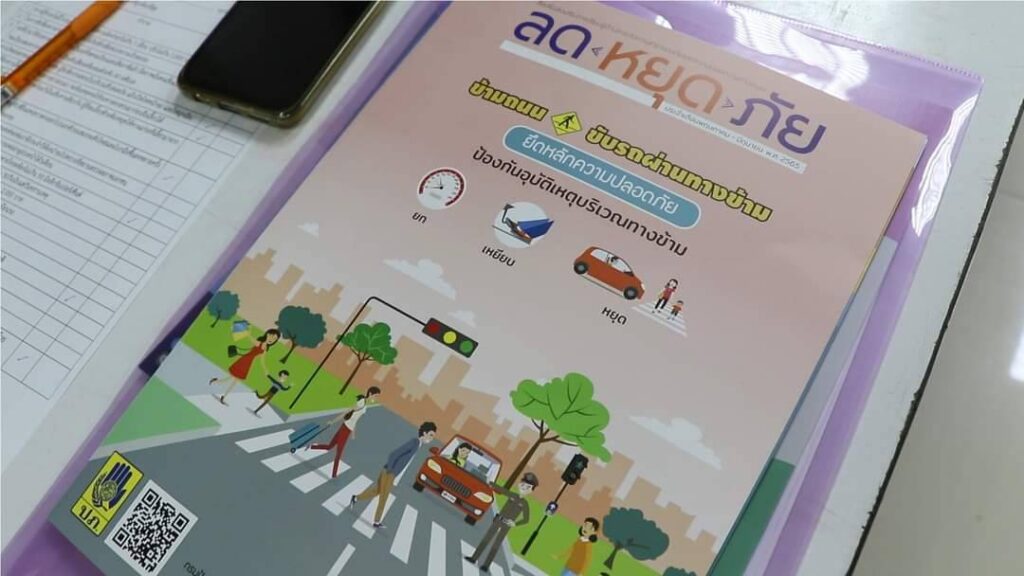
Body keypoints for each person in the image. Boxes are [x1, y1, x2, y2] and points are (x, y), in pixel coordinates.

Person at [350, 421, 437, 528]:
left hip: (391, 472)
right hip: (389, 472)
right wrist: (390, 470)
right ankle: (376, 521)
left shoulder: (418, 445)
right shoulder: (414, 442)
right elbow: (394, 454)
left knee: (376, 491)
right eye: (431, 435)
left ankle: (355, 498)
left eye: (433, 436)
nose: (431, 438)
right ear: (424, 433)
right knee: (384, 497)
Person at [465, 472, 539, 572]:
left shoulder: (525, 504)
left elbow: (526, 519)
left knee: (496, 545)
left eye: (528, 487)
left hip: (506, 525)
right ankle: (474, 558)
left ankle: (486, 565)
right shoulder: (512, 495)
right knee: (486, 539)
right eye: (523, 484)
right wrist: (490, 483)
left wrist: (515, 524)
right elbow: (502, 490)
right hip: (498, 520)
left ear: (531, 490)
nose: (524, 488)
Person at [310, 387, 382, 478]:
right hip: (345, 428)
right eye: (375, 396)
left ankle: (311, 446)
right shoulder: (361, 402)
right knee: (339, 452)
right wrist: (333, 421)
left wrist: (353, 432)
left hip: (348, 429)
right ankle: (334, 475)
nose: (376, 398)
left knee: (329, 447)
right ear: (370, 393)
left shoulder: (365, 405)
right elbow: (347, 411)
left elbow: (355, 419)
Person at [209, 329, 280, 405]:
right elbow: (251, 338)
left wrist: (265, 369)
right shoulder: (259, 343)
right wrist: (248, 333)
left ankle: (221, 392)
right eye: (271, 336)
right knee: (231, 378)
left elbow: (262, 360)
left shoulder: (266, 348)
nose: (272, 339)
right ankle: (217, 384)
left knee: (234, 380)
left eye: (275, 339)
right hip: (244, 360)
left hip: (248, 363)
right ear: (267, 334)